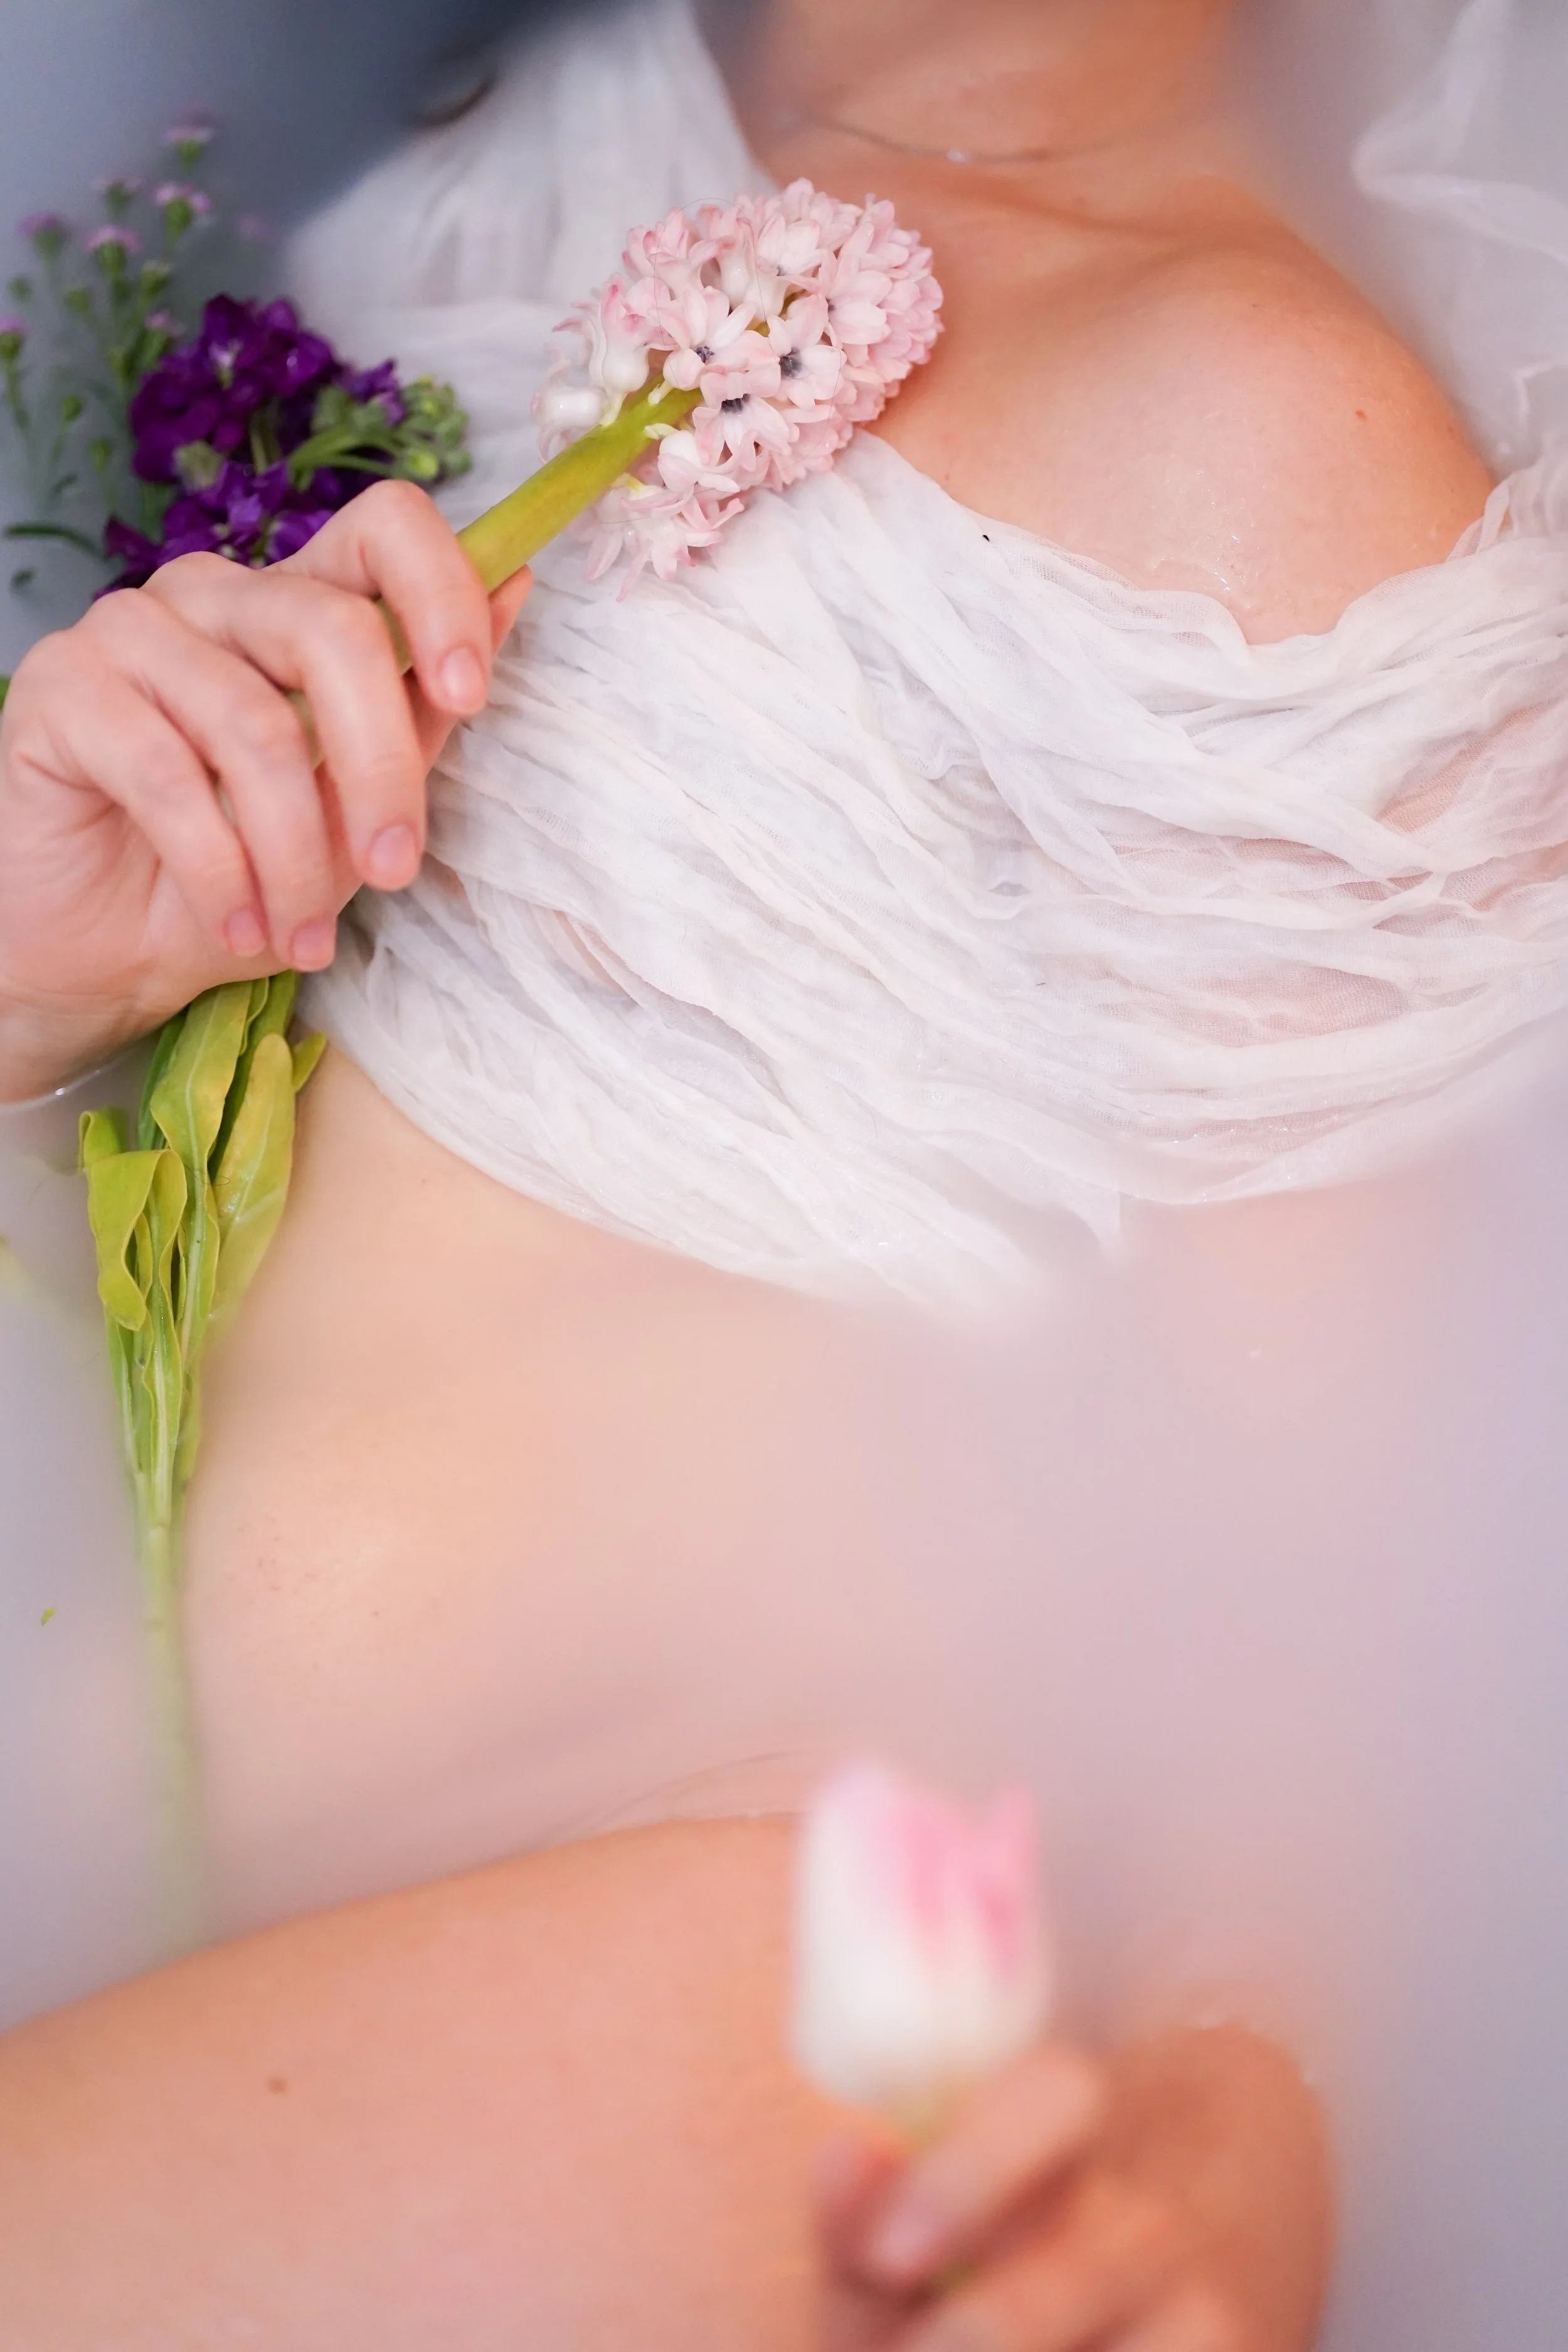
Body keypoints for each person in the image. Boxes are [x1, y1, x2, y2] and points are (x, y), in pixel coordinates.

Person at [0, 0, 1559, 2343]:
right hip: (193, 1919)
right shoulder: (458, 182)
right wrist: (39, 988)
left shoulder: (1249, 417)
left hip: (679, 2015)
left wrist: (1240, 2133)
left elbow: (1346, 1585)